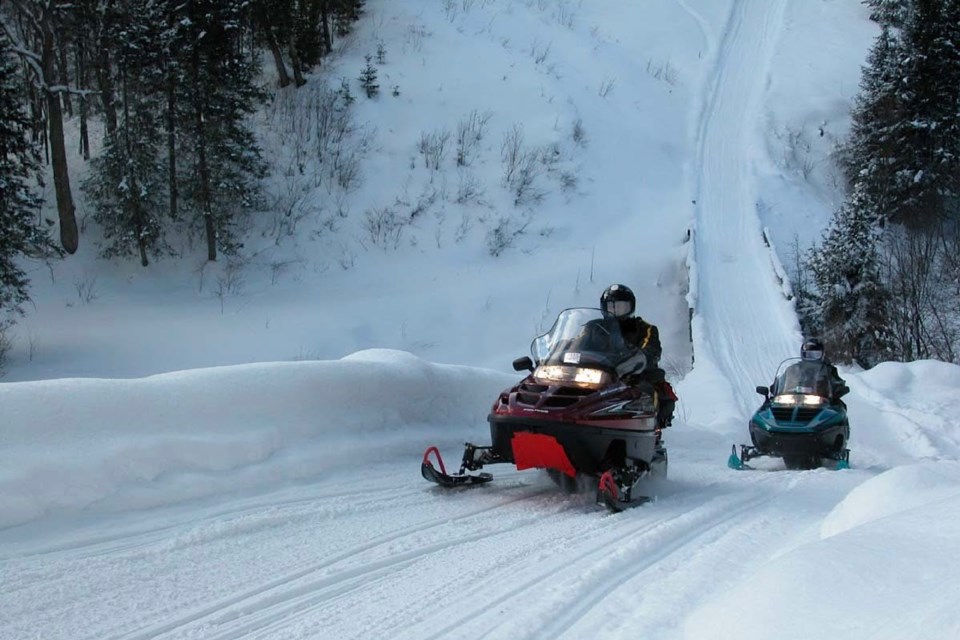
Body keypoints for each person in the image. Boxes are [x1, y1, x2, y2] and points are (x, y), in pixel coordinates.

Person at [600, 284, 677, 427]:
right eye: (611, 307)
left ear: (630, 307)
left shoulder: (644, 328)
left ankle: (648, 427)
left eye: (621, 307)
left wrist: (639, 359)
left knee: (645, 392)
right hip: (600, 374)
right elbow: (578, 342)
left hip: (634, 375)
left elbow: (650, 348)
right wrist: (560, 350)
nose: (616, 311)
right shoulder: (595, 327)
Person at [799, 338, 848, 402]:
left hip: (822, 400)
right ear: (803, 354)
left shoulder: (829, 369)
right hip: (797, 399)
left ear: (822, 354)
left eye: (815, 355)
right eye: (808, 355)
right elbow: (784, 381)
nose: (811, 357)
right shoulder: (796, 368)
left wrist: (838, 388)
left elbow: (837, 381)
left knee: (839, 406)